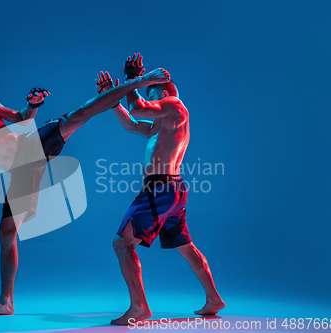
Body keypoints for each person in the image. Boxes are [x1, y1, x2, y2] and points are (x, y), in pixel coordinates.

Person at [0, 68, 170, 316]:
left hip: (31, 146)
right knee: (6, 233)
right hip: (21, 171)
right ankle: (6, 303)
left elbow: (21, 118)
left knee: (81, 113)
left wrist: (33, 104)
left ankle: (138, 82)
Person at [96, 54, 224, 325]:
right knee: (186, 246)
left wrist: (132, 81)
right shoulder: (166, 121)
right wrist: (113, 99)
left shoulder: (173, 104)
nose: (149, 99)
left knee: (122, 243)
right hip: (172, 189)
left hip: (161, 188)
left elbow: (139, 109)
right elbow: (131, 124)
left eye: (151, 94)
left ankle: (139, 308)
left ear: (164, 93)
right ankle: (214, 299)